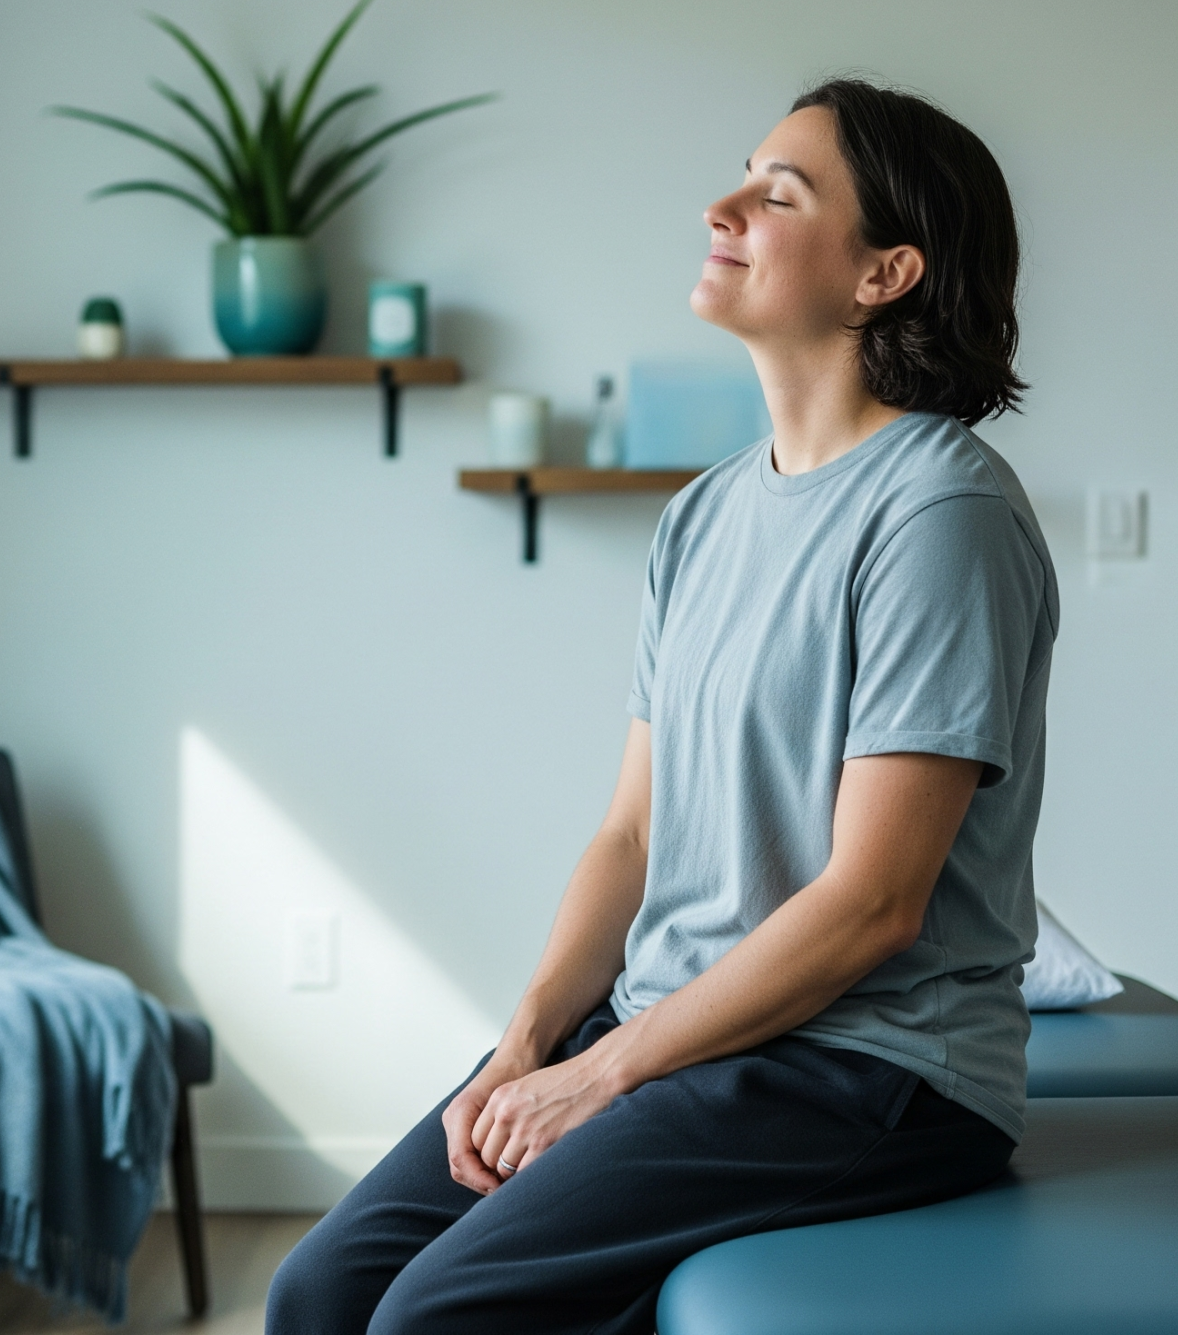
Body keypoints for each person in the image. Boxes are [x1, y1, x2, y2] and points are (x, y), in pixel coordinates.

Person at [266, 77, 1058, 1335]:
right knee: (320, 1291)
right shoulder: (703, 514)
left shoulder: (937, 516)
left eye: (777, 192)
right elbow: (631, 837)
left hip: (866, 1066)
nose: (721, 204)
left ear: (884, 273)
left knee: (439, 1316)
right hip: (678, 1030)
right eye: (741, 174)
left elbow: (872, 903)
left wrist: (603, 1079)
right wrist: (527, 1045)